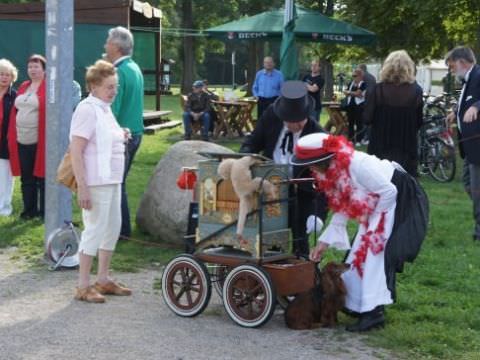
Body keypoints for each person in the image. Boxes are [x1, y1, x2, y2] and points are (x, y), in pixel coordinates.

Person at [291, 132, 428, 332]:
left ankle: (374, 314)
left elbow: (389, 192)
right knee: (357, 254)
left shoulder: (359, 166)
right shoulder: (334, 170)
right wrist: (323, 244)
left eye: (311, 164)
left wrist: (373, 220)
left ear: (324, 160)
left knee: (374, 254)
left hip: (394, 196)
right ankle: (359, 305)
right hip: (380, 199)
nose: (310, 169)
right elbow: (343, 205)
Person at [240, 80, 328, 256]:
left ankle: (300, 266)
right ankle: (269, 261)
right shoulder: (271, 117)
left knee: (300, 238)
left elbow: (327, 180)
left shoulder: (317, 134)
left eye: (302, 119)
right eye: (294, 121)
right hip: (269, 185)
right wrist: (245, 159)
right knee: (268, 235)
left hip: (301, 192)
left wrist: (318, 214)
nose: (300, 125)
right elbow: (252, 142)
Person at [70, 59, 132, 303]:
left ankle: (103, 278)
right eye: (109, 86)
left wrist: (122, 134)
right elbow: (76, 150)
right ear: (94, 86)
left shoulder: (105, 108)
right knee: (94, 230)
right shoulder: (87, 109)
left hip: (113, 179)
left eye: (115, 86)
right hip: (95, 181)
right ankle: (83, 285)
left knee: (112, 228)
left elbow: (105, 137)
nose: (114, 91)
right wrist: (82, 187)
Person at [104, 26, 144, 239]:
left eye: (107, 42)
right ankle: (121, 230)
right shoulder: (134, 67)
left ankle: (121, 231)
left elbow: (113, 109)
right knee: (119, 182)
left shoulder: (118, 72)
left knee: (115, 183)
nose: (105, 45)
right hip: (135, 132)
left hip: (122, 134)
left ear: (116, 46)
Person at [364, 50, 423, 177]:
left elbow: (367, 118)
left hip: (380, 144)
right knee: (405, 185)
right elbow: (419, 122)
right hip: (405, 145)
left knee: (379, 183)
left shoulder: (377, 89)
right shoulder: (416, 91)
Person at [445, 46, 480, 241]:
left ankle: (479, 231)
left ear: (461, 61)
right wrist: (457, 110)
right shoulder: (468, 78)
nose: (451, 70)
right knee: (468, 183)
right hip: (468, 146)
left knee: (477, 189)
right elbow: (469, 97)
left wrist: (476, 107)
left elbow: (476, 100)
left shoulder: (478, 74)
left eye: (451, 66)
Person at [8, 54, 46, 219]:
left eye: (36, 66)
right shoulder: (23, 86)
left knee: (42, 178)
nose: (33, 69)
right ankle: (29, 210)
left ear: (44, 69)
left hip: (40, 141)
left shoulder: (49, 87)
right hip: (21, 139)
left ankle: (44, 211)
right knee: (27, 178)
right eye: (30, 66)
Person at [0, 59, 18, 216]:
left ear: (12, 77)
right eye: (1, 74)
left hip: (6, 141)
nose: (4, 77)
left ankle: (5, 207)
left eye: (7, 75)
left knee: (5, 176)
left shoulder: (15, 96)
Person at [344, 68, 367, 145]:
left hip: (359, 106)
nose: (353, 77)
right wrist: (355, 93)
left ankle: (359, 140)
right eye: (353, 76)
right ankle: (351, 139)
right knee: (350, 123)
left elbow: (358, 93)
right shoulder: (351, 83)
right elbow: (346, 92)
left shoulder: (363, 84)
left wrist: (350, 93)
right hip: (350, 105)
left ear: (360, 76)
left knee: (359, 123)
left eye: (355, 76)